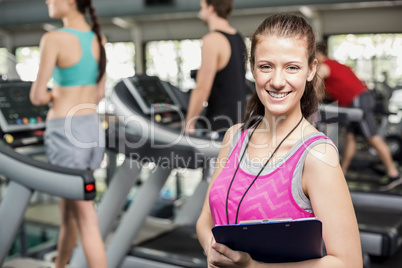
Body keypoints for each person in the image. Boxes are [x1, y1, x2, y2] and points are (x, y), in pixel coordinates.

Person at [196, 14, 362, 267]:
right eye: (266, 66)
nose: (276, 81)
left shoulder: (316, 154)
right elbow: (205, 220)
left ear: (311, 69)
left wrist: (252, 266)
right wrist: (214, 251)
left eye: (292, 67)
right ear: (252, 68)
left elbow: (349, 263)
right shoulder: (235, 137)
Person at [29, 0, 107, 267]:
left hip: (66, 130)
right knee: (69, 214)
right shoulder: (99, 38)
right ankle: (60, 265)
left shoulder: (53, 38)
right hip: (91, 128)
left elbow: (38, 95)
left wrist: (57, 94)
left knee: (86, 218)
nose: (48, 1)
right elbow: (99, 94)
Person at [316, 42, 401, 190]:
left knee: (372, 137)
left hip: (358, 100)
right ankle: (342, 172)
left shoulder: (324, 65)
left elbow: (318, 80)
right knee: (351, 137)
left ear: (317, 54)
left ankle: (394, 175)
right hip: (356, 101)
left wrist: (311, 96)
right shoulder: (336, 65)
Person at [184, 0, 247, 137]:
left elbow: (202, 88)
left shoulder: (212, 40)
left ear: (211, 9)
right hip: (239, 124)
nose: (200, 13)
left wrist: (189, 123)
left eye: (202, 8)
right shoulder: (239, 38)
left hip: (220, 127)